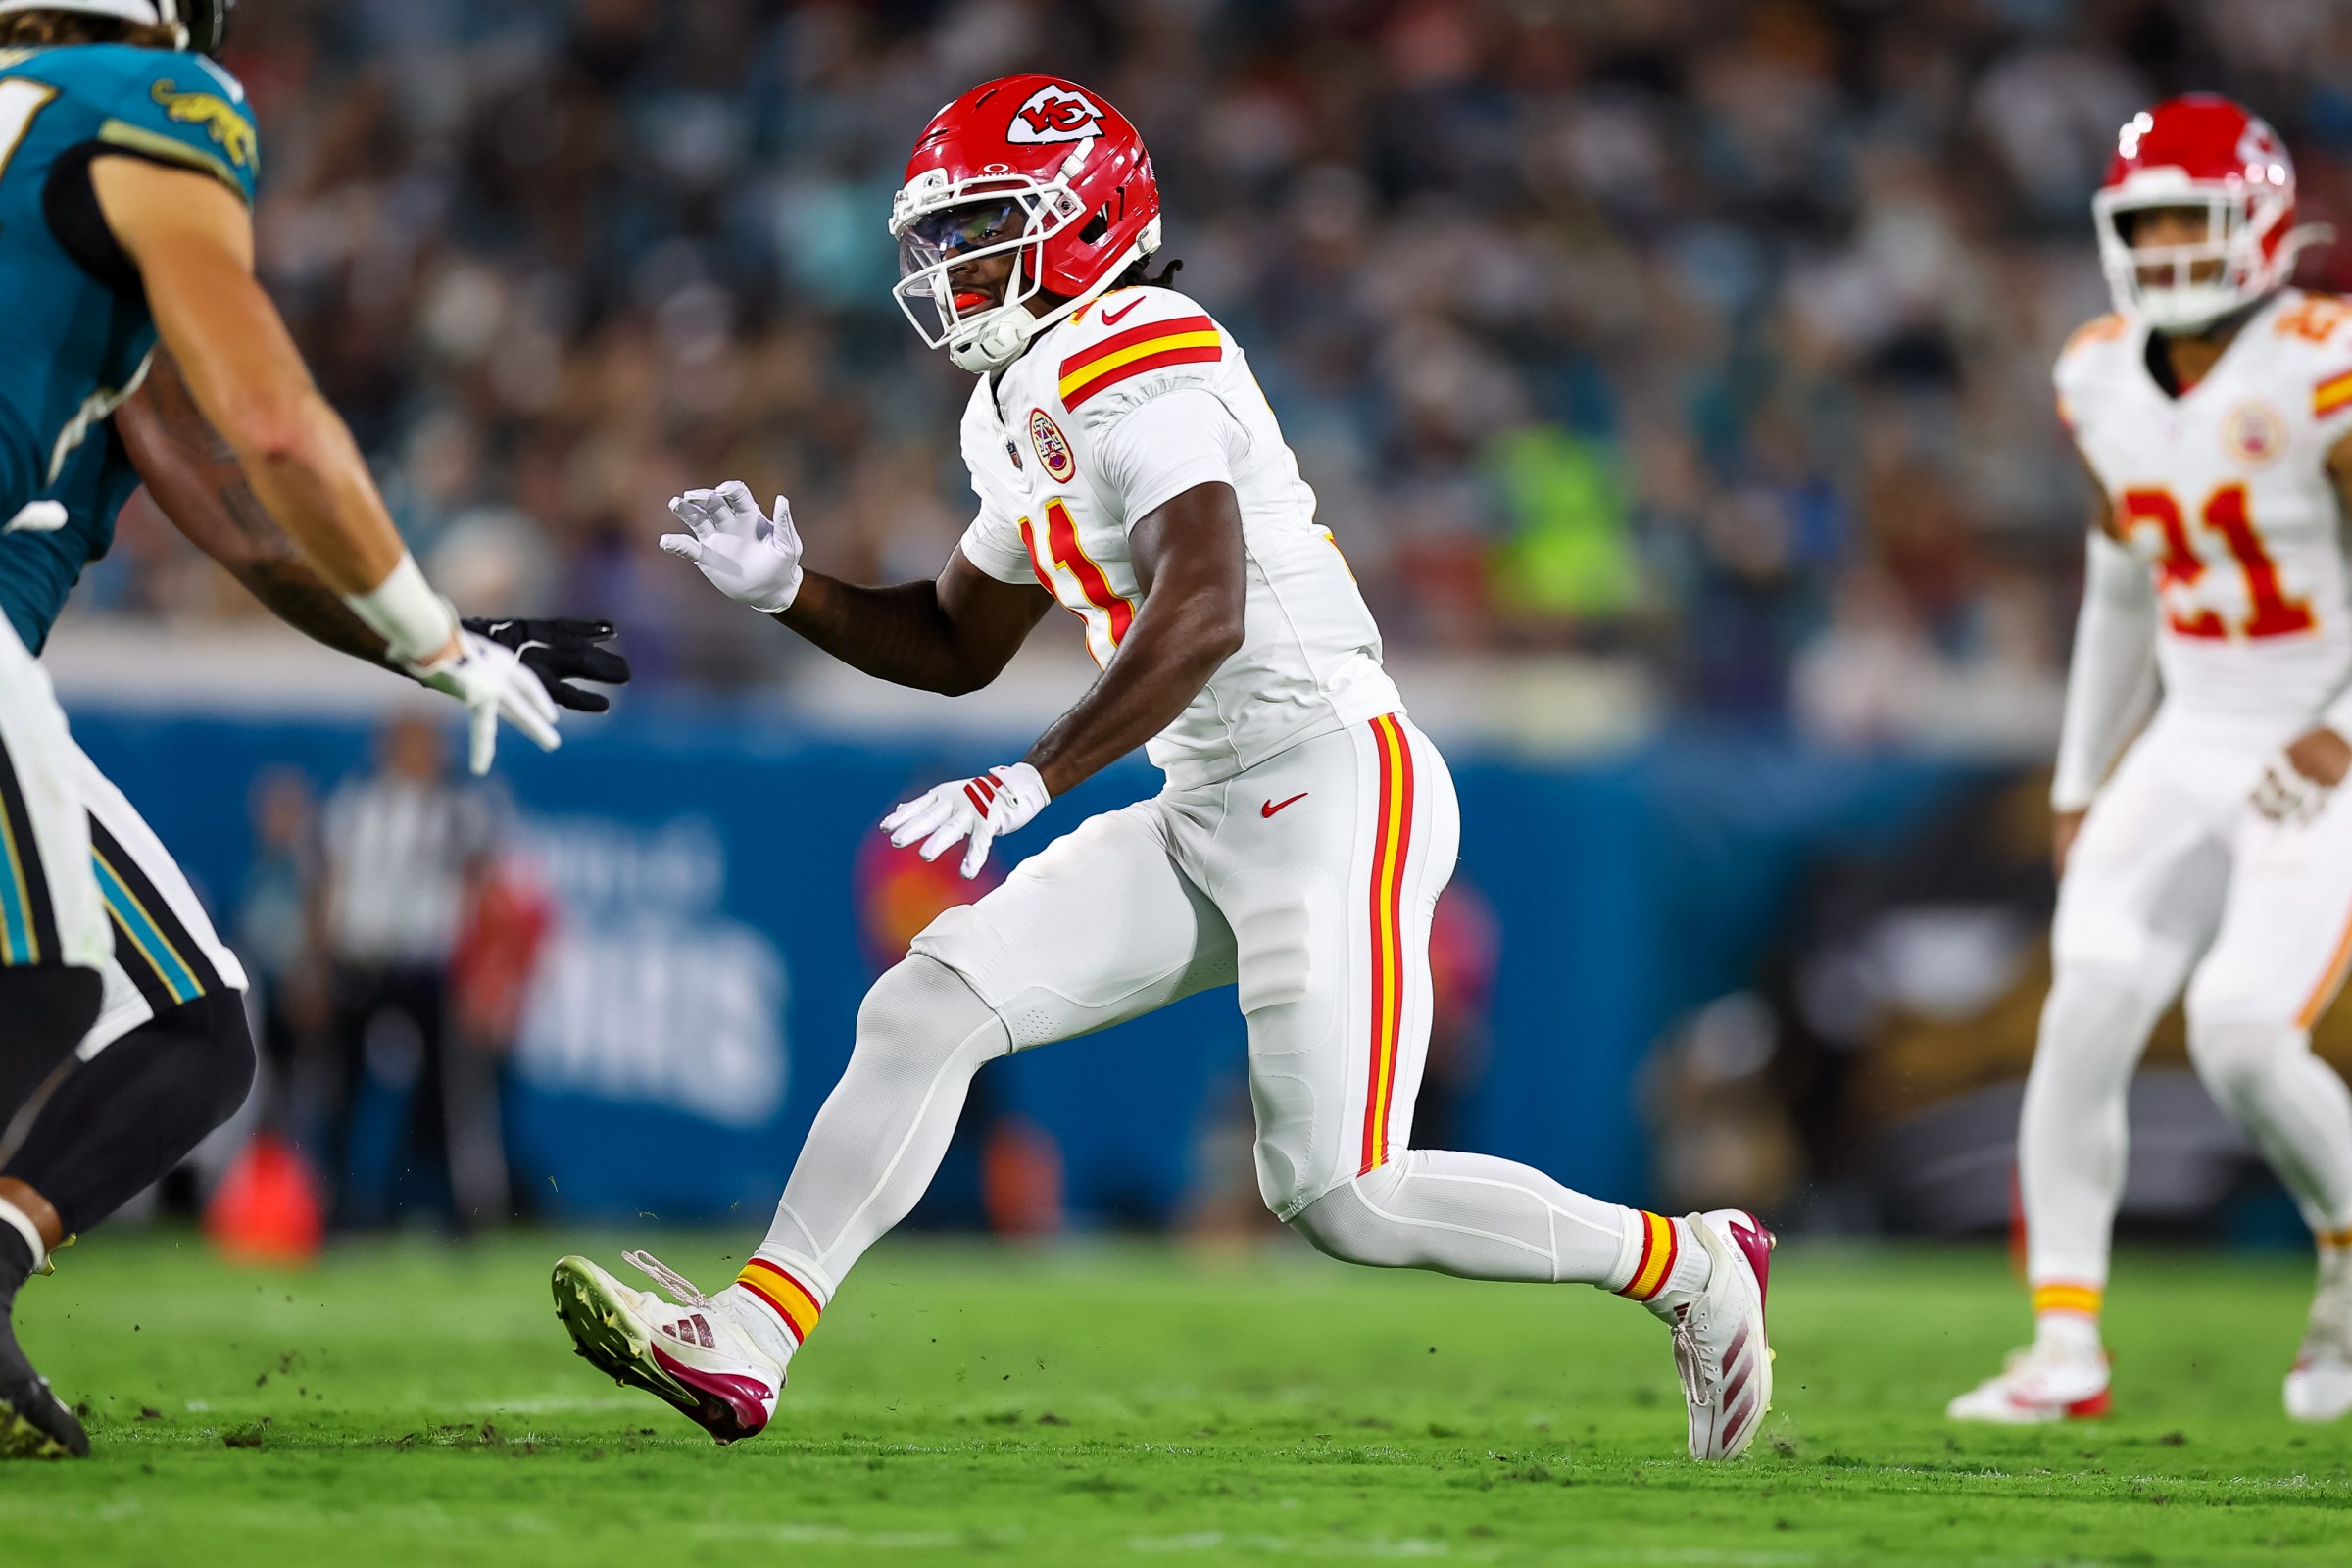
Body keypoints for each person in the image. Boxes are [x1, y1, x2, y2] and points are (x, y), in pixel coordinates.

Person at [551, 76, 1776, 1464]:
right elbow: (957, 640)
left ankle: (1693, 1263)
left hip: (1331, 783)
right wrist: (793, 592)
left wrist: (1032, 782)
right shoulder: (1020, 397)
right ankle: (751, 1339)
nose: (951, 263)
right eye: (942, 235)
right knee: (928, 1002)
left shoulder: (1144, 350)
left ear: (1084, 219)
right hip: (1205, 802)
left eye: (985, 227)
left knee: (1343, 1196)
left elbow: (1206, 611)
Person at [0, 3, 622, 1459]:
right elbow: (270, 430)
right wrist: (431, 631)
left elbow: (221, 501)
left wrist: (435, 637)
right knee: (47, 986)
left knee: (194, 1025)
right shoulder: (143, 103)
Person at [1948, 95, 2352, 1425]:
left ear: (2263, 224)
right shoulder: (2098, 373)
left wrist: (2341, 727)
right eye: (2151, 223)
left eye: (2196, 220)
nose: (2172, 247)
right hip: (2193, 729)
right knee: (2087, 1006)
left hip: (2323, 731)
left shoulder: (2323, 362)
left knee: (2242, 1035)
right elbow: (2122, 587)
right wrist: (2081, 777)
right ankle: (2063, 1345)